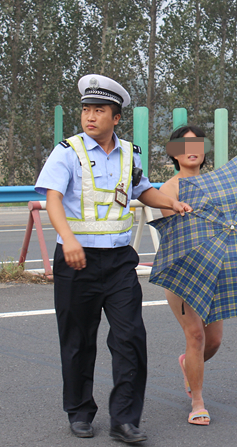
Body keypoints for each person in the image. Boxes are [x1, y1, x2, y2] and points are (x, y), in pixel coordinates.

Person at [35, 74, 192, 443]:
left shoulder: (130, 155)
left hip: (120, 260)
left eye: (99, 111)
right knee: (78, 339)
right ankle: (79, 411)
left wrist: (171, 202)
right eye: (86, 110)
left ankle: (125, 419)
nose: (90, 117)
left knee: (130, 337)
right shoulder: (67, 151)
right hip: (77, 260)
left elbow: (143, 192)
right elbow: (52, 199)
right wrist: (68, 239)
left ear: (116, 117)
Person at [158, 125, 222, 426]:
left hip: (215, 268)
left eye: (197, 143)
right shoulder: (169, 189)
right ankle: (197, 401)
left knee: (213, 342)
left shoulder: (217, 184)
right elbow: (176, 235)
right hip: (183, 270)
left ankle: (188, 364)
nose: (191, 149)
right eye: (183, 145)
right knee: (195, 335)